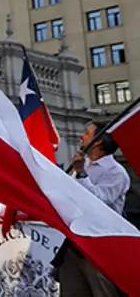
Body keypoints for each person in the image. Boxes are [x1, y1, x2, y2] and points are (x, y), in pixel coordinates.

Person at [53, 122, 130, 297]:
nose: (81, 136)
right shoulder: (82, 165)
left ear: (97, 142)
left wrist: (81, 174)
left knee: (103, 292)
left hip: (101, 246)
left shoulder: (116, 172)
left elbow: (100, 201)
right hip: (75, 244)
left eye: (86, 133)